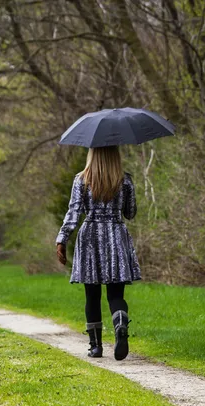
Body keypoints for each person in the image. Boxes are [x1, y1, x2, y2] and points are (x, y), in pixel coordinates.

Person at [55, 146, 141, 360]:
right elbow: (130, 213)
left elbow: (74, 212)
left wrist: (62, 238)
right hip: (115, 234)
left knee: (92, 295)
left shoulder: (81, 180)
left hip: (90, 235)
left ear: (92, 154)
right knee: (115, 293)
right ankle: (120, 323)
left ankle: (96, 346)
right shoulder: (125, 180)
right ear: (115, 155)